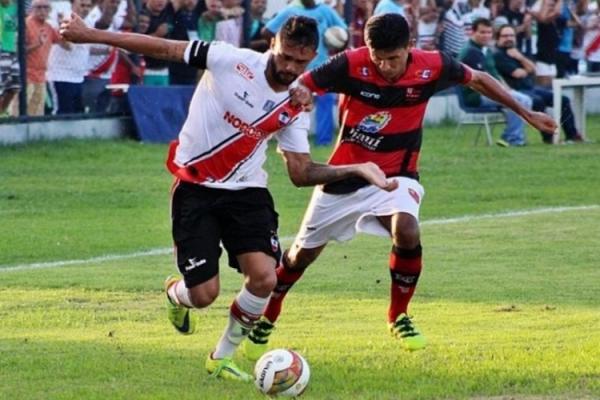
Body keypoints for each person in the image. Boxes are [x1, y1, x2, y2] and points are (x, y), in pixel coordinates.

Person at [59, 14, 396, 382]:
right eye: (285, 56)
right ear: (272, 45)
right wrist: (90, 34)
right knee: (204, 295)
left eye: (301, 62)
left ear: (312, 57)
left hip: (247, 193)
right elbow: (164, 48)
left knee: (265, 278)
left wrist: (356, 168)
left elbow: (300, 173)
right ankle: (177, 295)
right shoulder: (229, 59)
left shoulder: (296, 104)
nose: (289, 67)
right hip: (195, 188)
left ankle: (221, 357)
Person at [241, 13, 556, 360]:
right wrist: (302, 93)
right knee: (301, 256)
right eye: (378, 58)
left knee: (406, 228)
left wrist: (527, 115)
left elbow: (478, 79)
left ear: (409, 47)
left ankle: (398, 316)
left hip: (396, 174)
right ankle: (269, 315)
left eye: (393, 58)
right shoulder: (351, 63)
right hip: (345, 174)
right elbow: (304, 83)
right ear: (368, 49)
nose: (386, 67)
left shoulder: (432, 66)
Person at [263, 0, 348, 146]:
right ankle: (283, 139)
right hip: (296, 69)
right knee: (292, 102)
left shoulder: (325, 11)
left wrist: (337, 46)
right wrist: (280, 49)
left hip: (323, 67)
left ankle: (323, 141)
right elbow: (267, 31)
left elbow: (344, 32)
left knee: (325, 102)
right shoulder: (290, 11)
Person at [493, 24, 584, 143]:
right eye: (505, 36)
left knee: (563, 99)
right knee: (538, 101)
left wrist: (520, 57)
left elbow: (533, 68)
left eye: (511, 35)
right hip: (517, 92)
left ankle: (572, 135)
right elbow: (518, 73)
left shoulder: (516, 52)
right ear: (498, 38)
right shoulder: (498, 55)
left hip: (530, 88)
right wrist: (526, 66)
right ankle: (549, 138)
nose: (509, 38)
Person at [459, 18, 533, 147]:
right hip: (476, 95)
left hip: (492, 91)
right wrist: (502, 93)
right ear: (472, 32)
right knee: (520, 100)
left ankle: (512, 137)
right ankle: (513, 138)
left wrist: (507, 90)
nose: (486, 36)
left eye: (488, 32)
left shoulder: (486, 50)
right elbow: (480, 81)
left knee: (525, 99)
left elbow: (495, 75)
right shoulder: (470, 52)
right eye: (482, 32)